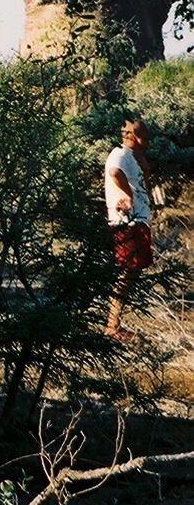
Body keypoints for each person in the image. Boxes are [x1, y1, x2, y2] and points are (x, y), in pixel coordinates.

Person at [104, 113, 154, 338]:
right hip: (128, 222)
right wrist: (126, 196)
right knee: (126, 272)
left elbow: (142, 186)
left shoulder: (133, 158)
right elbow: (115, 173)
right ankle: (112, 325)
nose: (148, 142)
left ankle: (114, 323)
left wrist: (146, 172)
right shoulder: (121, 154)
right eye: (145, 137)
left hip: (138, 220)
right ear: (134, 136)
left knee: (131, 272)